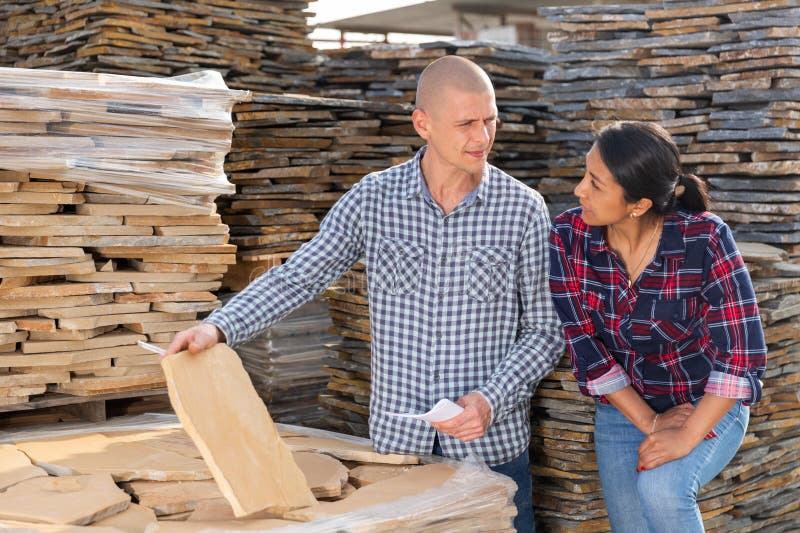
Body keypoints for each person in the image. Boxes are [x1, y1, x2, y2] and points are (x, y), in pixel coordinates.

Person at [166, 55, 564, 533]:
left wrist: (489, 399)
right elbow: (300, 276)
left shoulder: (523, 209)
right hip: (399, 450)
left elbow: (545, 330)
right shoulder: (374, 198)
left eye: (489, 120)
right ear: (424, 123)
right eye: (465, 123)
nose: (482, 137)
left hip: (492, 452)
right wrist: (219, 326)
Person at [548, 121, 767, 533]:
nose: (579, 190)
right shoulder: (567, 237)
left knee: (662, 491)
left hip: (707, 404)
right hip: (624, 410)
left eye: (595, 184)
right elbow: (584, 345)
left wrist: (686, 436)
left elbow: (741, 356)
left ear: (639, 204)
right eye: (584, 174)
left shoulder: (705, 238)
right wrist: (650, 423)